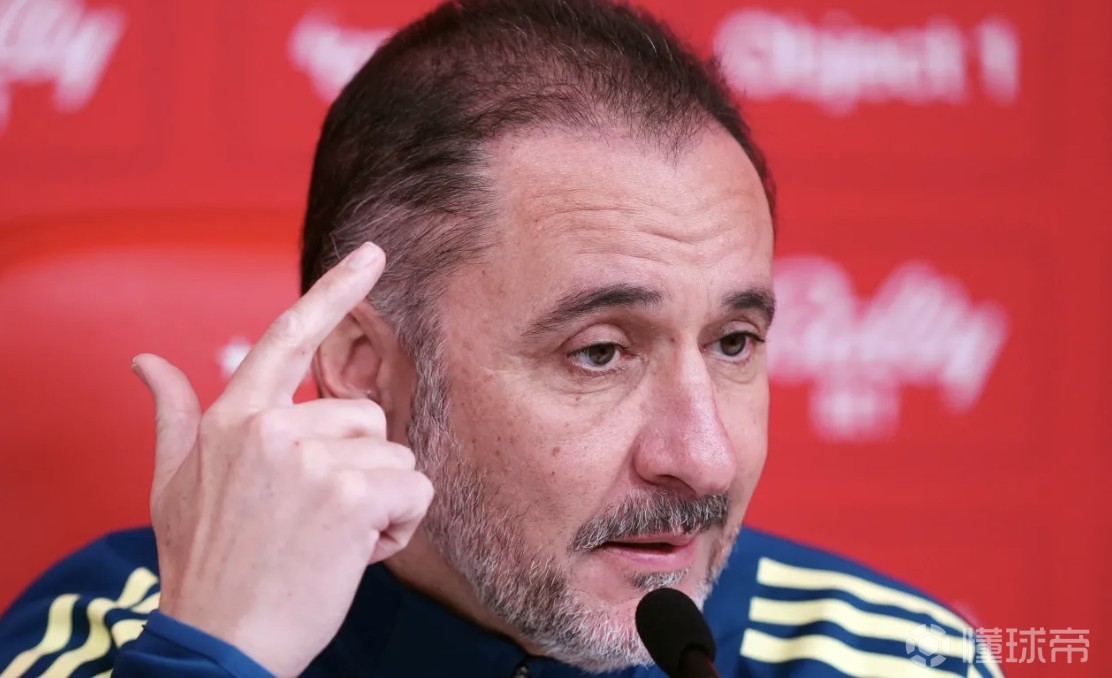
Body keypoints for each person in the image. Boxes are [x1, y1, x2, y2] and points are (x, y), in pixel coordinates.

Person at [0, 1, 1003, 676]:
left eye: (733, 343)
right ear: (365, 370)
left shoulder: (894, 659)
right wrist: (221, 653)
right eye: (599, 352)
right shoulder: (131, 633)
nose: (703, 457)